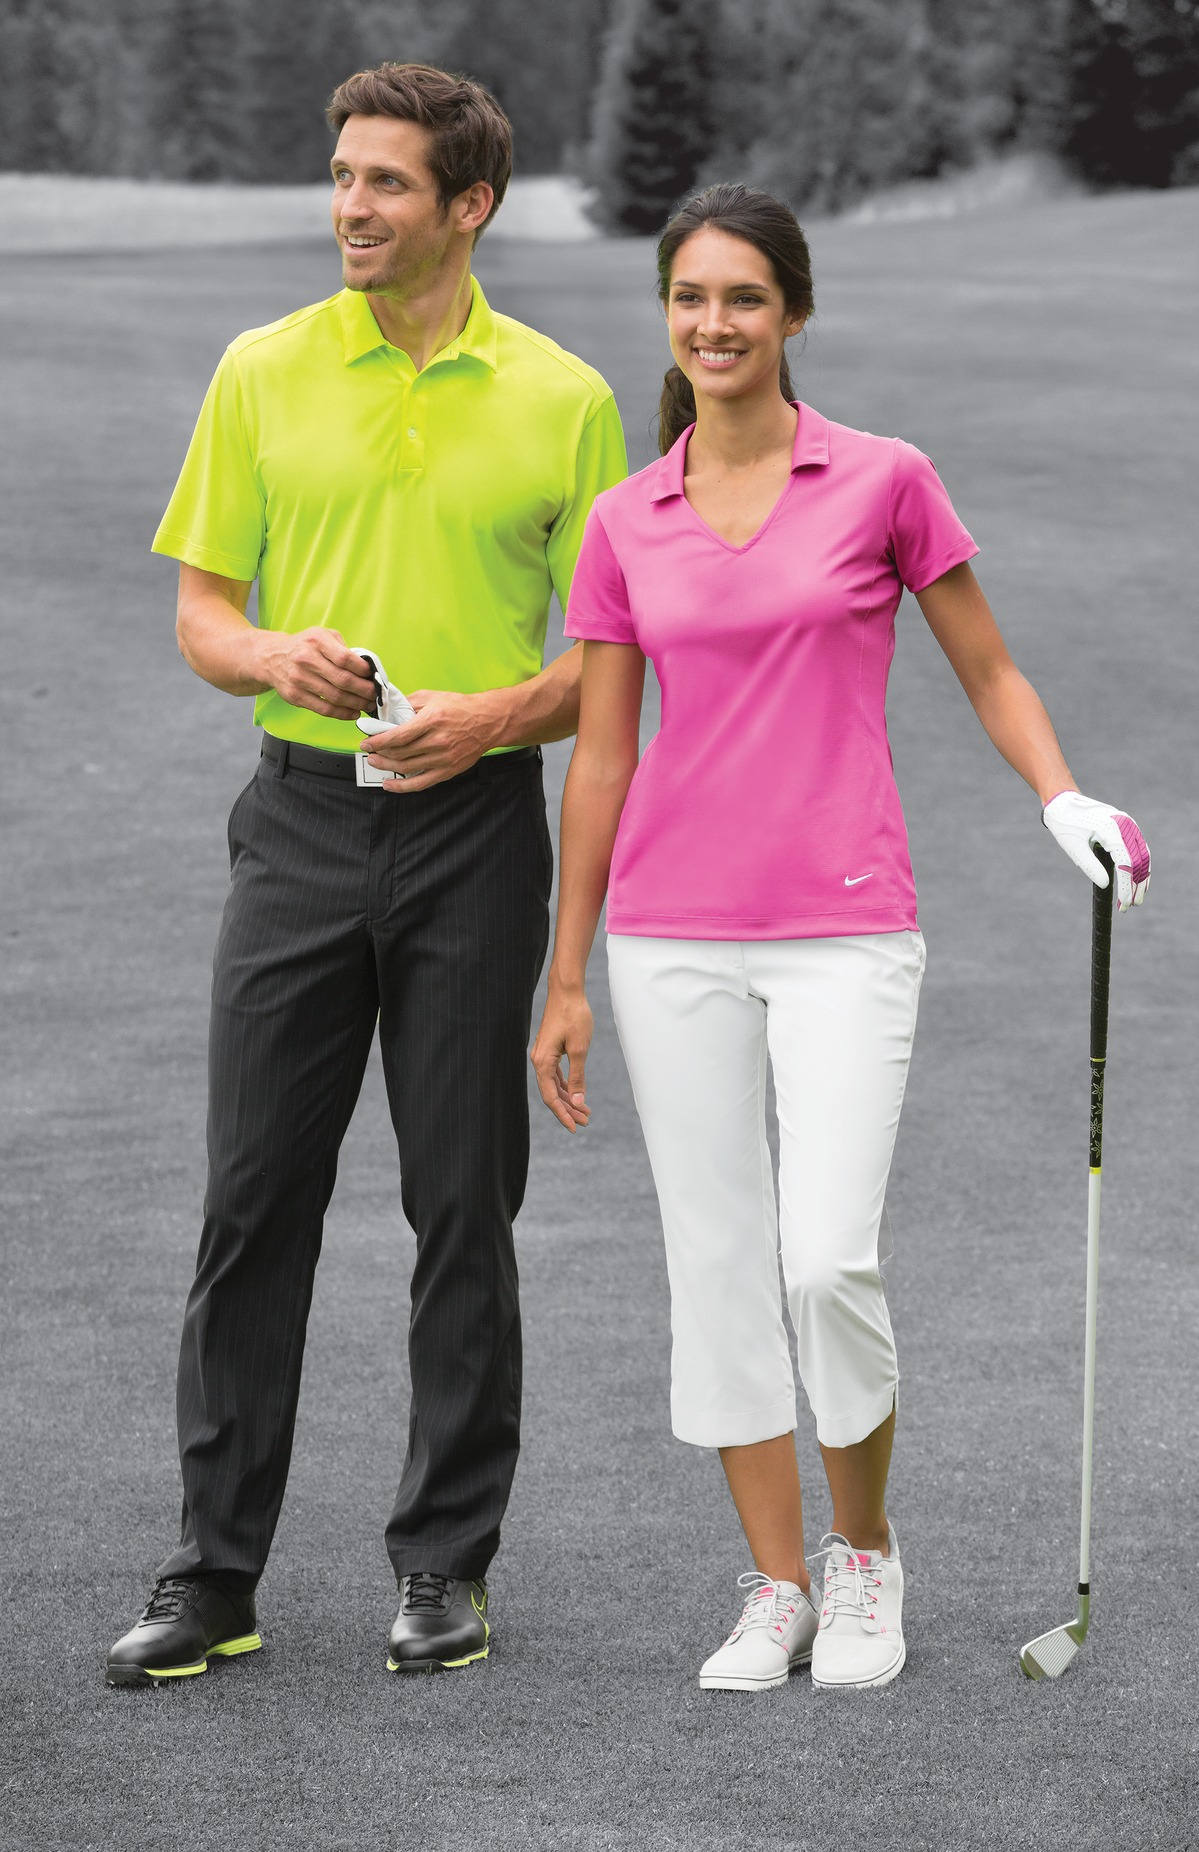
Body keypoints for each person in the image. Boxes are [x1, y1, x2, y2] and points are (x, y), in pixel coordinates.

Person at [531, 184, 1149, 1694]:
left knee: (825, 1260)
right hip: (669, 937)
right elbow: (600, 759)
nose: (716, 324)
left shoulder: (883, 479)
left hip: (847, 926)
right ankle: (778, 1585)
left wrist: (1062, 796)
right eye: (691, 298)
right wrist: (566, 971)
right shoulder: (626, 518)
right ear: (666, 314)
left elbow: (989, 668)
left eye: (745, 297)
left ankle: (864, 1556)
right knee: (718, 1266)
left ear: (794, 313)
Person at [106, 62, 627, 1689]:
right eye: (342, 175)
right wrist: (275, 652)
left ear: (470, 206)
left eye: (387, 182)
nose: (351, 205)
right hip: (299, 826)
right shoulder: (262, 369)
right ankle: (213, 1575)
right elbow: (204, 616)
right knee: (253, 1198)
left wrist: (493, 717)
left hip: (477, 832)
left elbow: (606, 665)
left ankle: (444, 1565)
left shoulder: (565, 399)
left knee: (462, 1202)